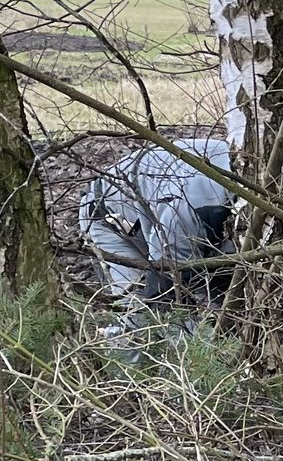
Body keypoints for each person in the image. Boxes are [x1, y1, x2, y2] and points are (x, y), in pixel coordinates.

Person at [77, 136, 238, 341]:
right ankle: (130, 370)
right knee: (138, 316)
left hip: (166, 202)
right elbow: (165, 291)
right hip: (109, 216)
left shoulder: (250, 174)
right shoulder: (187, 214)